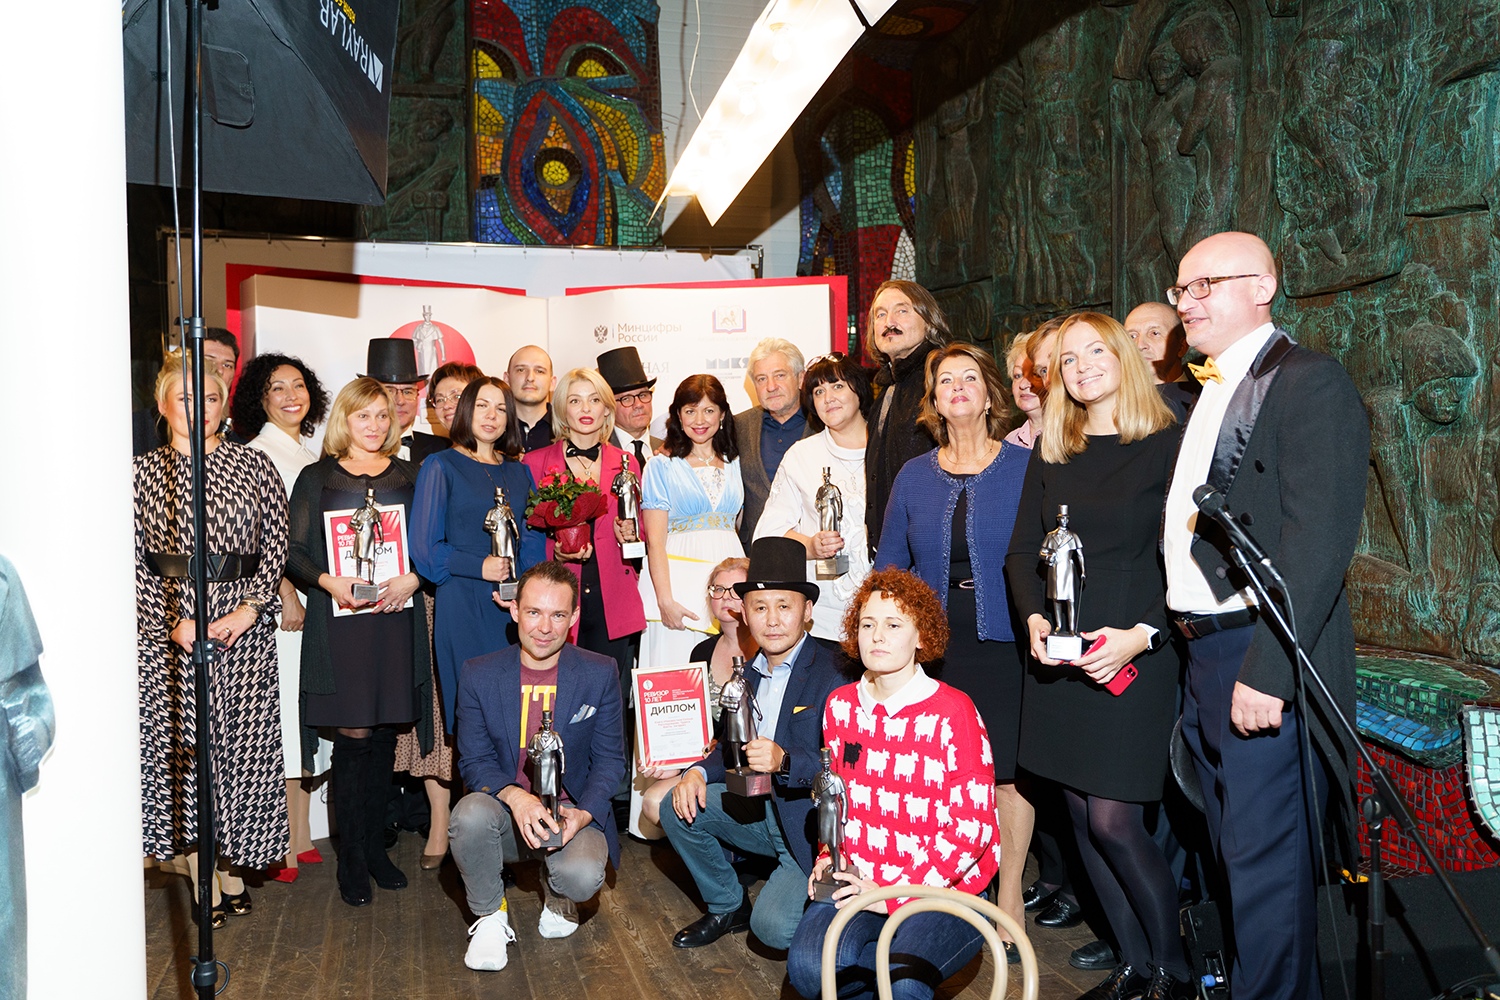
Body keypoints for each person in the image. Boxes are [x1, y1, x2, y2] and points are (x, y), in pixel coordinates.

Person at [1165, 232, 1368, 1000]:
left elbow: (1316, 544)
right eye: (1181, 289)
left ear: (1263, 286)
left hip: (1258, 651)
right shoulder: (1208, 388)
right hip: (1203, 655)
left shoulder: (1309, 382)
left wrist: (1270, 672)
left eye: (1204, 285)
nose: (1187, 303)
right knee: (1238, 862)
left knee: (1265, 870)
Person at [1006, 312, 1190, 1000]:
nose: (1081, 367)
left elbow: (1195, 562)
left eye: (1094, 352)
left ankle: (1173, 971)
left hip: (1136, 652)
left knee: (1114, 820)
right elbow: (1021, 551)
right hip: (1063, 659)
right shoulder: (1054, 447)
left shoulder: (1170, 442)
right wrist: (1033, 617)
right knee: (1083, 820)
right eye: (1068, 359)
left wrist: (1143, 635)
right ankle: (1135, 966)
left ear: (1123, 357)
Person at [872, 341, 1032, 957]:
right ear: (934, 401)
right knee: (943, 775)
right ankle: (948, 887)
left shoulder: (1026, 467)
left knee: (1006, 777)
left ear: (990, 395)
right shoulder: (914, 475)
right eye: (946, 380)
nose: (958, 387)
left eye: (971, 377)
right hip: (936, 648)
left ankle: (1009, 897)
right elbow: (891, 566)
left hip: (1008, 641)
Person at [786, 570, 1000, 1000]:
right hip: (859, 877)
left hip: (943, 888)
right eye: (867, 624)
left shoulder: (953, 711)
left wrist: (893, 895)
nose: (877, 636)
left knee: (903, 983)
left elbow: (972, 829)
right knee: (809, 971)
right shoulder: (840, 705)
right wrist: (828, 855)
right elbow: (834, 800)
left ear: (921, 637)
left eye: (894, 624)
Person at [136, 353, 288, 926]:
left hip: (243, 630)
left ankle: (231, 864)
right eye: (185, 397)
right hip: (169, 634)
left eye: (211, 397)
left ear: (225, 407)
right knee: (188, 755)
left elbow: (274, 545)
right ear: (162, 405)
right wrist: (171, 622)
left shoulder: (255, 465)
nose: (198, 407)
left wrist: (250, 610)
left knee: (240, 753)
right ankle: (204, 874)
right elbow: (131, 561)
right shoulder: (140, 474)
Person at [286, 378, 434, 907]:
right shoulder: (317, 477)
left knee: (385, 738)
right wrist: (330, 583)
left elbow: (432, 544)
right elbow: (293, 551)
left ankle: (375, 850)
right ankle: (350, 859)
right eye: (362, 415)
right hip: (342, 623)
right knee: (352, 740)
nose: (374, 425)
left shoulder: (411, 475)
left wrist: (413, 578)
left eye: (382, 415)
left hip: (394, 619)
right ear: (344, 420)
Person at [659, 537, 846, 951]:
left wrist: (785, 761)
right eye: (760, 608)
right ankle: (727, 904)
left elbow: (851, 764)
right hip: (759, 811)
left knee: (773, 931)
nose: (772, 620)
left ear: (807, 611)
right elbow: (730, 745)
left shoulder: (836, 670)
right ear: (745, 613)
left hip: (807, 826)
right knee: (675, 804)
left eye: (784, 606)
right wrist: (695, 773)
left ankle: (831, 907)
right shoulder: (746, 674)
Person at [450, 561, 627, 971]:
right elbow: (474, 761)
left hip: (570, 812)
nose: (544, 628)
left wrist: (583, 815)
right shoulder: (478, 674)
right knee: (469, 815)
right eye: (533, 612)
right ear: (514, 610)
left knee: (581, 876)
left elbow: (610, 762)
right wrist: (518, 799)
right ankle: (490, 917)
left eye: (558, 615)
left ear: (574, 617)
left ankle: (560, 894)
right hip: (506, 813)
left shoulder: (600, 672)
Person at [234, 353, 332, 882]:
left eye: (299, 385)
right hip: (282, 608)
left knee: (302, 716)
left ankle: (300, 833)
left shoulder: (306, 452)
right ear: (260, 398)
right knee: (283, 721)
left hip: (318, 603)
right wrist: (285, 592)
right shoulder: (256, 454)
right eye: (278, 388)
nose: (291, 395)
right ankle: (280, 845)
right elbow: (258, 538)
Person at [412, 376, 546, 736]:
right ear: (466, 410)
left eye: (501, 408)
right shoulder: (440, 465)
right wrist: (478, 566)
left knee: (521, 720)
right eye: (482, 406)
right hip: (463, 604)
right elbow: (424, 550)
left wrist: (527, 592)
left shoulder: (520, 471)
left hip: (515, 608)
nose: (492, 416)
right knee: (474, 721)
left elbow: (533, 539)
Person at [522, 368, 646, 678]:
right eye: (575, 401)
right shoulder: (534, 463)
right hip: (555, 598)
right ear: (562, 409)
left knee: (608, 692)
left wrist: (629, 534)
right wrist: (555, 554)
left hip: (612, 596)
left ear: (607, 408)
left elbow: (641, 529)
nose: (586, 408)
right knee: (558, 689)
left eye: (594, 400)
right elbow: (527, 536)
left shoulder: (627, 462)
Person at [754, 353, 873, 649]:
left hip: (884, 613)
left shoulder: (888, 446)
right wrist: (810, 546)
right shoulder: (801, 455)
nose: (828, 398)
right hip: (825, 619)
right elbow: (768, 534)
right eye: (818, 391)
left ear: (859, 390)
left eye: (837, 386)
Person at [636, 556, 756, 830]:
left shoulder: (766, 651)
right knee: (653, 801)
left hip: (749, 765)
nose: (725, 597)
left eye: (736, 590)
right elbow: (694, 728)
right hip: (708, 762)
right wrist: (673, 761)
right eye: (718, 589)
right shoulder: (701, 652)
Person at [638, 374, 745, 669]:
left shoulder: (735, 462)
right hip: (678, 585)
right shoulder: (660, 466)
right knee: (679, 669)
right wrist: (665, 600)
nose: (700, 420)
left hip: (729, 580)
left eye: (709, 410)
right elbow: (655, 541)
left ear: (722, 415)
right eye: (690, 410)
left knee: (730, 668)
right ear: (678, 416)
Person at [863, 281, 952, 556]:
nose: (889, 322)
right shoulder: (886, 390)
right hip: (891, 552)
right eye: (880, 314)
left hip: (934, 551)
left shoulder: (943, 379)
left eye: (902, 311)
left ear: (930, 321)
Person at [734, 338, 815, 550]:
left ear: (801, 378)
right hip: (755, 552)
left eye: (780, 375)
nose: (771, 387)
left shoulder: (823, 423)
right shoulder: (738, 426)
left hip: (813, 551)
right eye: (761, 379)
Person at [361, 339, 440, 463]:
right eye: (389, 391)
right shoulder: (348, 453)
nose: (400, 401)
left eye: (408, 392)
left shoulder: (441, 449)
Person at [1125, 301, 1199, 413]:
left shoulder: (1203, 401)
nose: (1139, 345)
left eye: (1155, 333)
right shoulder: (1114, 404)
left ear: (1181, 347)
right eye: (1132, 336)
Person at [598, 346, 662, 468]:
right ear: (609, 406)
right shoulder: (598, 454)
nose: (638, 404)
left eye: (643, 395)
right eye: (626, 399)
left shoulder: (668, 451)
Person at [1004, 318, 1063, 449]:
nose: (1023, 384)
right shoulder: (1011, 442)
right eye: (1018, 375)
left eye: (1035, 374)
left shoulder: (1072, 435)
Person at [424, 361, 485, 450]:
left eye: (457, 396)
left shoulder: (502, 457)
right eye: (440, 400)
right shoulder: (436, 458)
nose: (446, 406)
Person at [506, 345, 557, 452]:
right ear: (507, 379)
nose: (530, 378)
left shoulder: (567, 431)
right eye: (521, 370)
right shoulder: (492, 428)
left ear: (552, 383)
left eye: (539, 371)